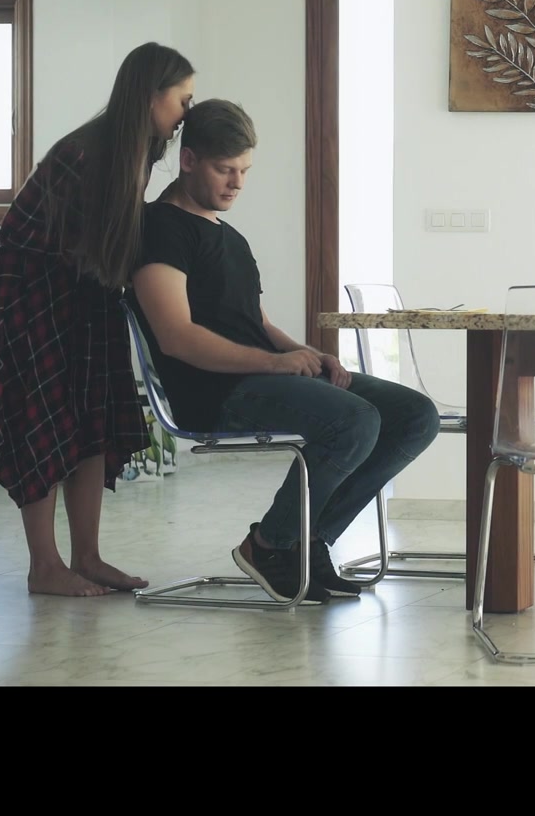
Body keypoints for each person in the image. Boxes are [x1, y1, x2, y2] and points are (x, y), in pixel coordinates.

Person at [129, 99, 439, 603]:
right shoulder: (160, 229)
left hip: (264, 378)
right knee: (355, 421)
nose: (237, 183)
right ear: (188, 160)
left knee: (415, 416)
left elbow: (259, 324)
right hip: (214, 392)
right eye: (225, 169)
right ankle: (269, 544)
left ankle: (307, 542)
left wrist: (308, 354)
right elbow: (176, 336)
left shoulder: (231, 238)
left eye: (245, 171)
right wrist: (277, 364)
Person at [0, 41, 196, 597]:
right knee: (41, 420)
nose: (187, 112)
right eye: (182, 100)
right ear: (150, 97)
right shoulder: (86, 152)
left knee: (94, 420)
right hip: (26, 288)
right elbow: (80, 242)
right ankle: (45, 566)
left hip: (82, 288)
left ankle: (87, 556)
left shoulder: (136, 152)